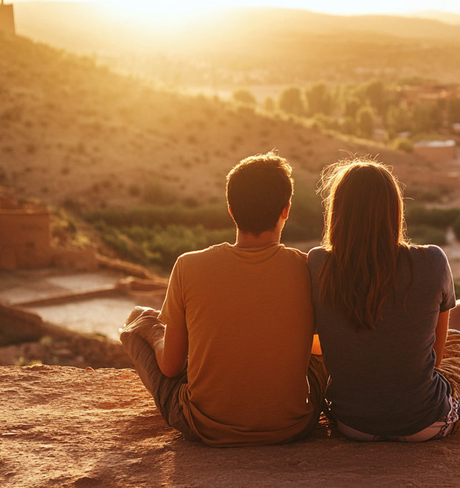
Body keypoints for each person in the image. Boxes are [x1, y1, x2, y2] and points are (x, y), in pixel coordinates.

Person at [120, 152, 326, 447]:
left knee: (134, 324)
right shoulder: (307, 268)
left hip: (206, 426)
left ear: (231, 210)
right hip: (292, 426)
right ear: (286, 209)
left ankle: (143, 326)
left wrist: (152, 330)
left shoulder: (188, 266)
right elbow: (320, 347)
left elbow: (170, 368)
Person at [308, 158, 460, 442]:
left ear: (338, 212)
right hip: (425, 422)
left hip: (352, 423)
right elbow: (436, 357)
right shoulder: (432, 260)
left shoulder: (318, 264)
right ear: (394, 210)